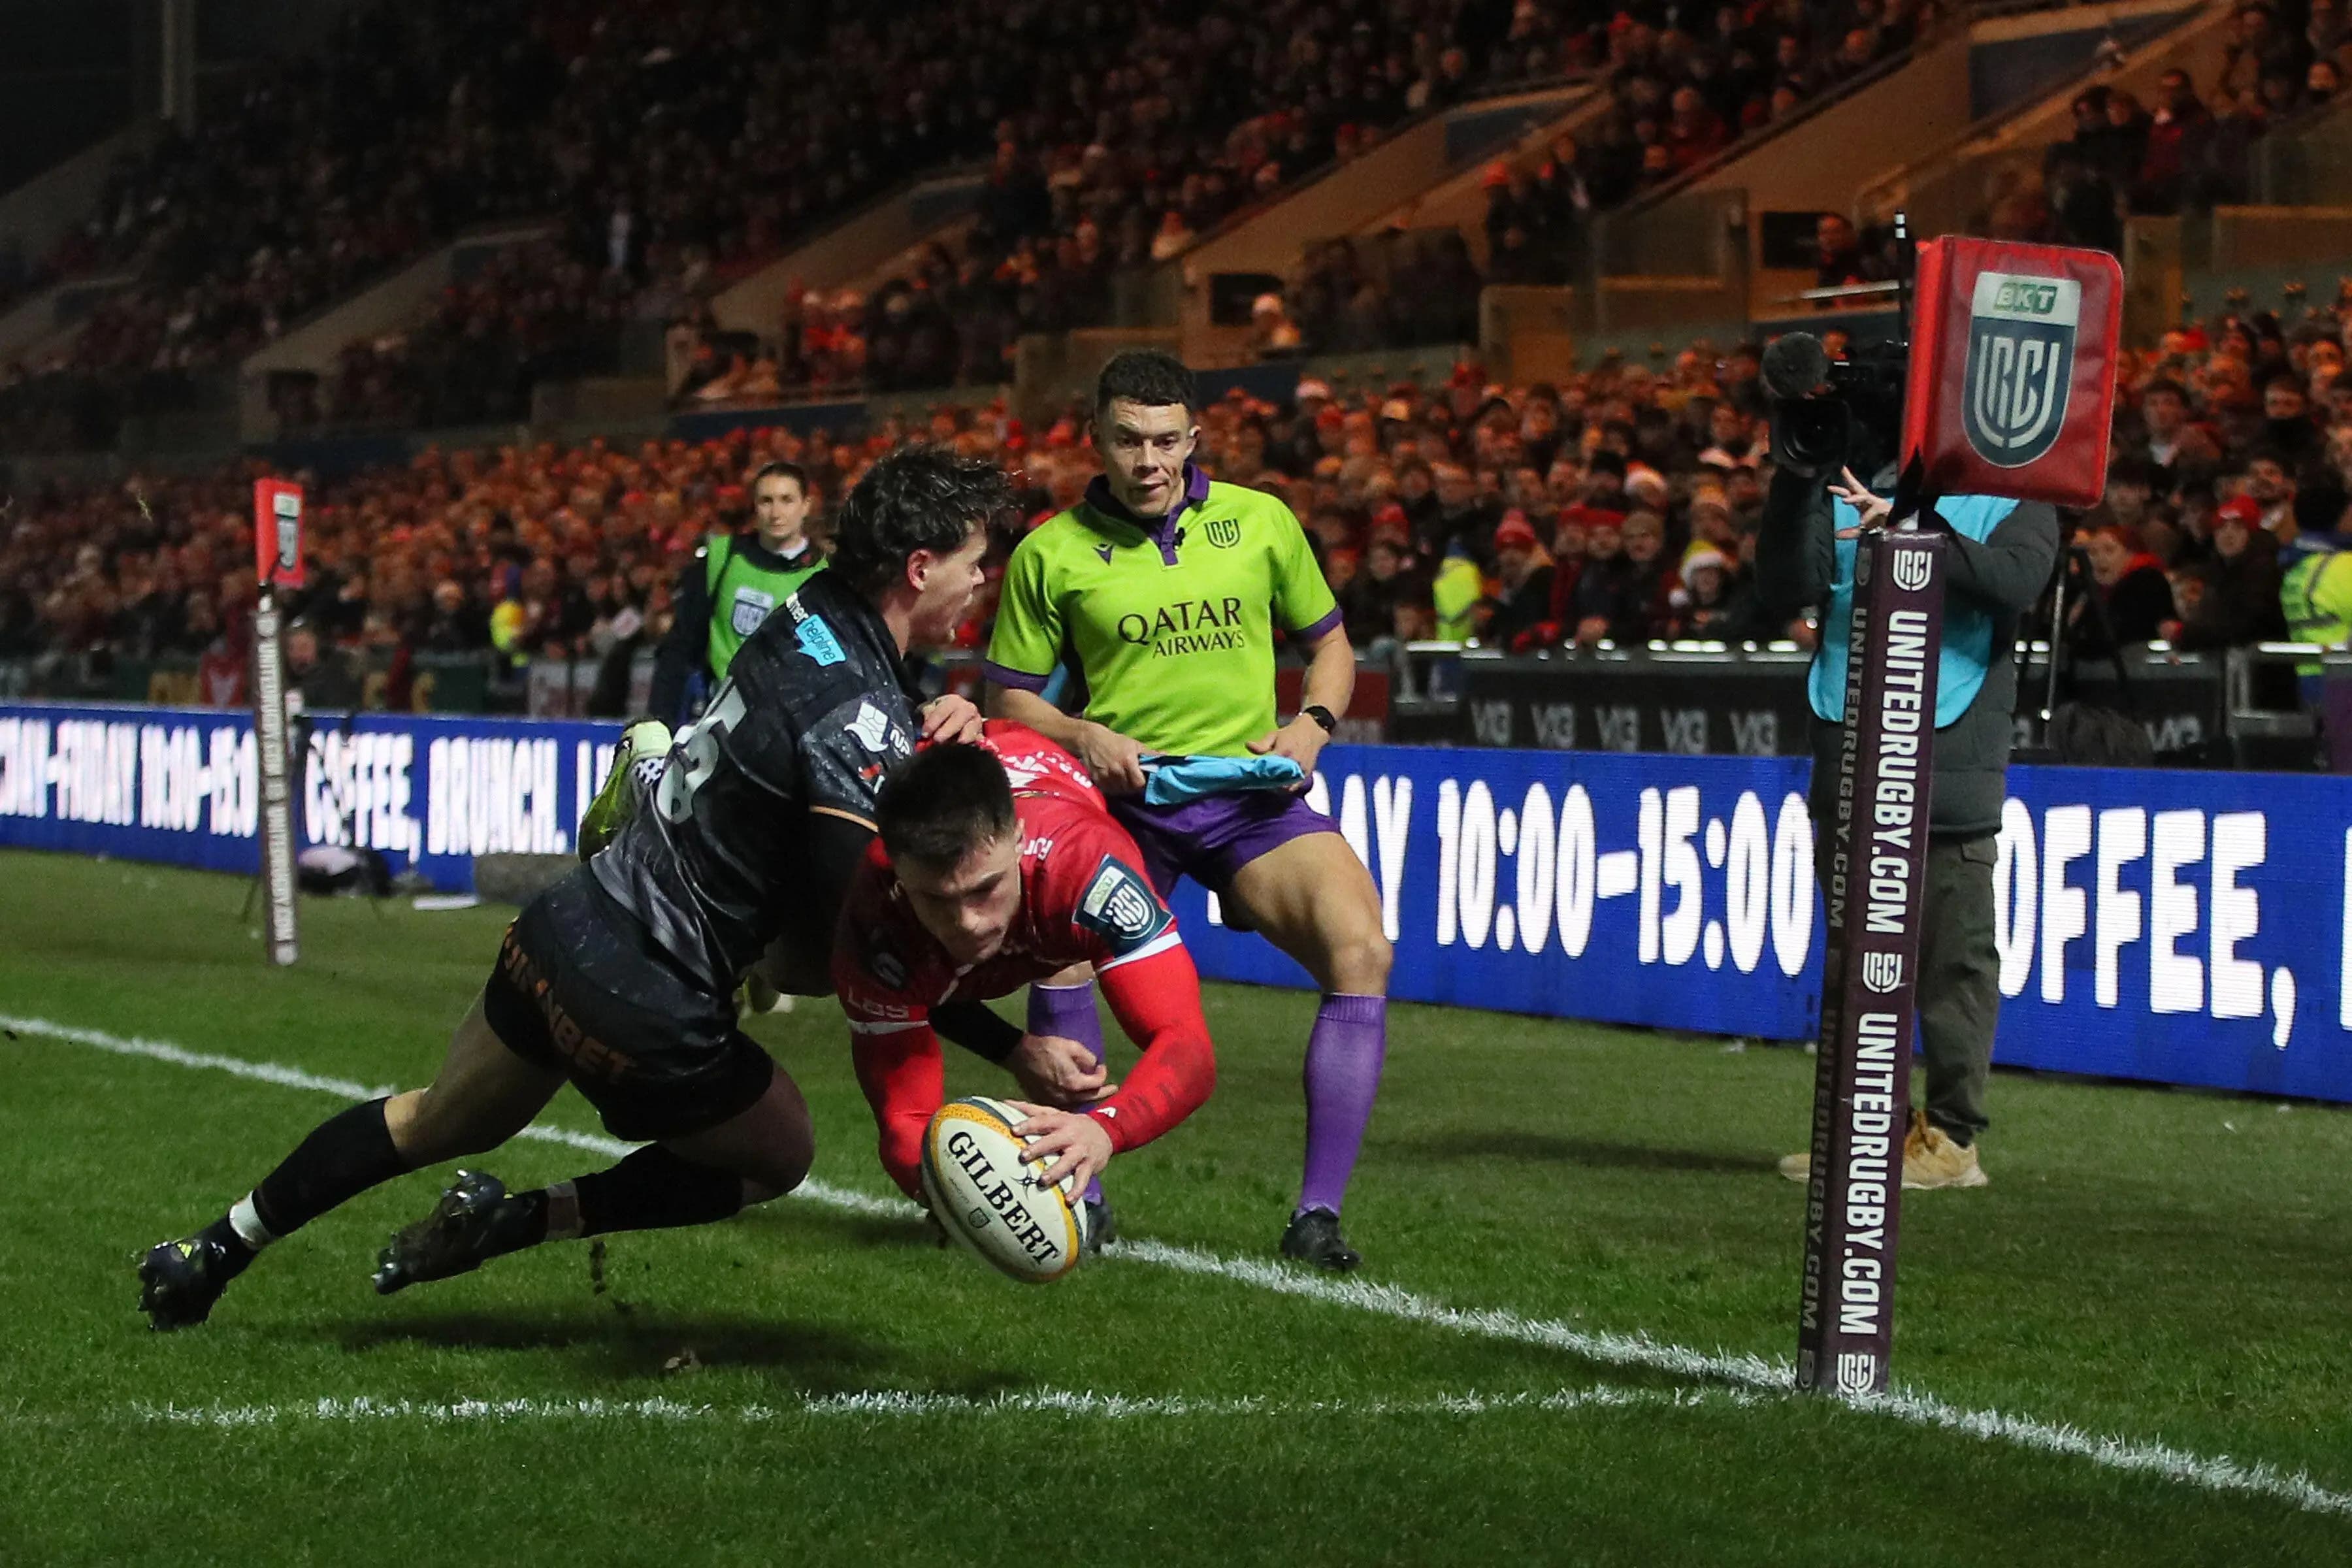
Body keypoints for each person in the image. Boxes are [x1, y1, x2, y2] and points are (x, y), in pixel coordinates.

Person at [135, 448, 1046, 1329]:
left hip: (567, 924)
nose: (982, 584)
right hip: (650, 989)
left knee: (428, 1119)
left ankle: (213, 1249)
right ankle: (520, 1220)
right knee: (781, 1151)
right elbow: (850, 958)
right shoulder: (857, 715)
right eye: (974, 564)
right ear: (920, 568)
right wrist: (1005, 1046)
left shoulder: (806, 608)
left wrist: (913, 741)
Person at [983, 348, 1392, 1271]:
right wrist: (1083, 735)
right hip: (1123, 802)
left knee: (1361, 948)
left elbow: (1332, 648)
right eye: (1129, 439)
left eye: (1167, 439)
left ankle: (1317, 1217)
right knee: (1067, 963)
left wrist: (1314, 725)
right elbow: (1009, 697)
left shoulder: (1261, 522)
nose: (1149, 459)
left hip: (1247, 797)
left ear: (1194, 438)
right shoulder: (1050, 552)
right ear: (1097, 439)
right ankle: (1077, 1196)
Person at [1755, 362, 2059, 1190]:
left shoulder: (2016, 491)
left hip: (1950, 758)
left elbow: (2018, 580)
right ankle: (1866, 1132)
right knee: (1854, 960)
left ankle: (1953, 1139)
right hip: (1851, 743)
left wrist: (1915, 534)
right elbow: (1783, 586)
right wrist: (1793, 484)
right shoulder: (1837, 483)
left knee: (1953, 961)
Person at [838, 725, 1218, 1231]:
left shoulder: (1089, 871)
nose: (968, 921)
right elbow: (902, 1121)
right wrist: (964, 1203)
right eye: (935, 899)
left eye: (985, 889)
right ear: (900, 876)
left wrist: (1102, 1130)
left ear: (1016, 839)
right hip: (915, 932)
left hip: (1036, 776)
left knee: (1061, 951)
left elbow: (1188, 1048)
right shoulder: (875, 911)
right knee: (803, 967)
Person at [647, 460, 826, 725]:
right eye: (766, 501)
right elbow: (680, 646)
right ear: (754, 506)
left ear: (806, 506)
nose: (776, 512)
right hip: (721, 720)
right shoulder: (723, 558)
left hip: (795, 724)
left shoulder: (825, 573)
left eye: (787, 500)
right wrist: (658, 723)